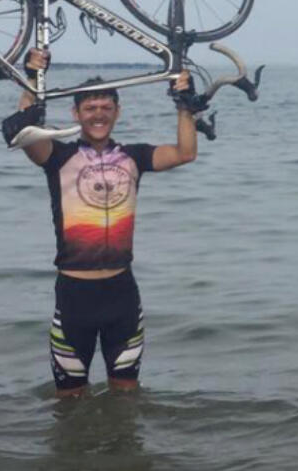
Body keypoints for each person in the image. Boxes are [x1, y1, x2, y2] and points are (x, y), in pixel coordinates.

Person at [17, 49, 198, 396]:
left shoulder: (134, 156)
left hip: (122, 294)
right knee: (69, 400)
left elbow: (185, 152)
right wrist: (32, 78)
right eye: (90, 108)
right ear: (76, 114)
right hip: (74, 296)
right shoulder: (57, 156)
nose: (98, 115)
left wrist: (183, 103)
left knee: (127, 397)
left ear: (117, 112)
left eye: (105, 108)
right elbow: (26, 133)